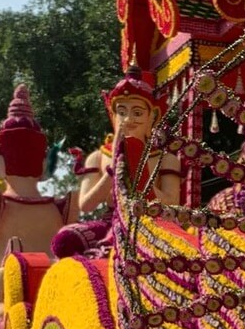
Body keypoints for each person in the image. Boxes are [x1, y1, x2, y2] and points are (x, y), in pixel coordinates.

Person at [52, 66, 180, 259]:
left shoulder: (165, 159)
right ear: (113, 116)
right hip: (109, 223)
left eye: (137, 113)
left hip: (152, 223)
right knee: (64, 240)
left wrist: (140, 174)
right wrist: (114, 168)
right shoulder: (98, 156)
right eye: (121, 112)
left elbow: (172, 204)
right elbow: (86, 204)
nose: (128, 119)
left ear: (152, 117)